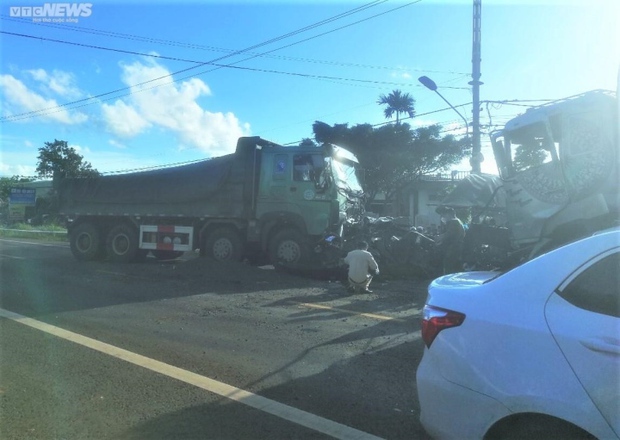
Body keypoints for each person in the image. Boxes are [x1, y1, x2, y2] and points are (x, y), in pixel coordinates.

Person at [436, 207, 465, 274]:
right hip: (457, 248)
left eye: (444, 215)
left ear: (449, 214)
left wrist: (439, 238)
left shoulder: (454, 222)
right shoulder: (458, 221)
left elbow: (449, 234)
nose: (443, 217)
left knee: (449, 267)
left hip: (453, 249)